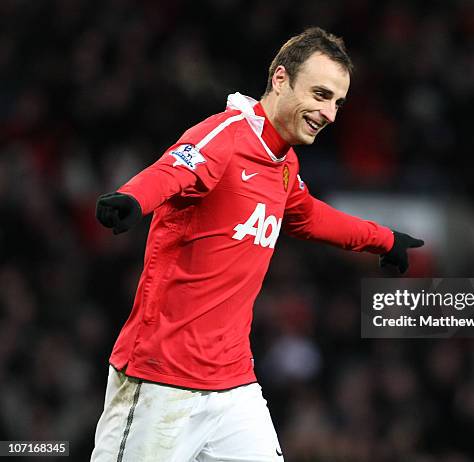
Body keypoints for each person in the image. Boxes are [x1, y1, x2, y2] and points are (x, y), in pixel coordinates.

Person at [91, 27, 424, 462]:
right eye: (321, 95)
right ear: (281, 79)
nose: (330, 114)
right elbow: (174, 169)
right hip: (160, 381)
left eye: (338, 103)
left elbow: (306, 215)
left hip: (233, 387)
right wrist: (134, 198)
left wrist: (382, 240)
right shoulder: (225, 136)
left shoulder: (283, 161)